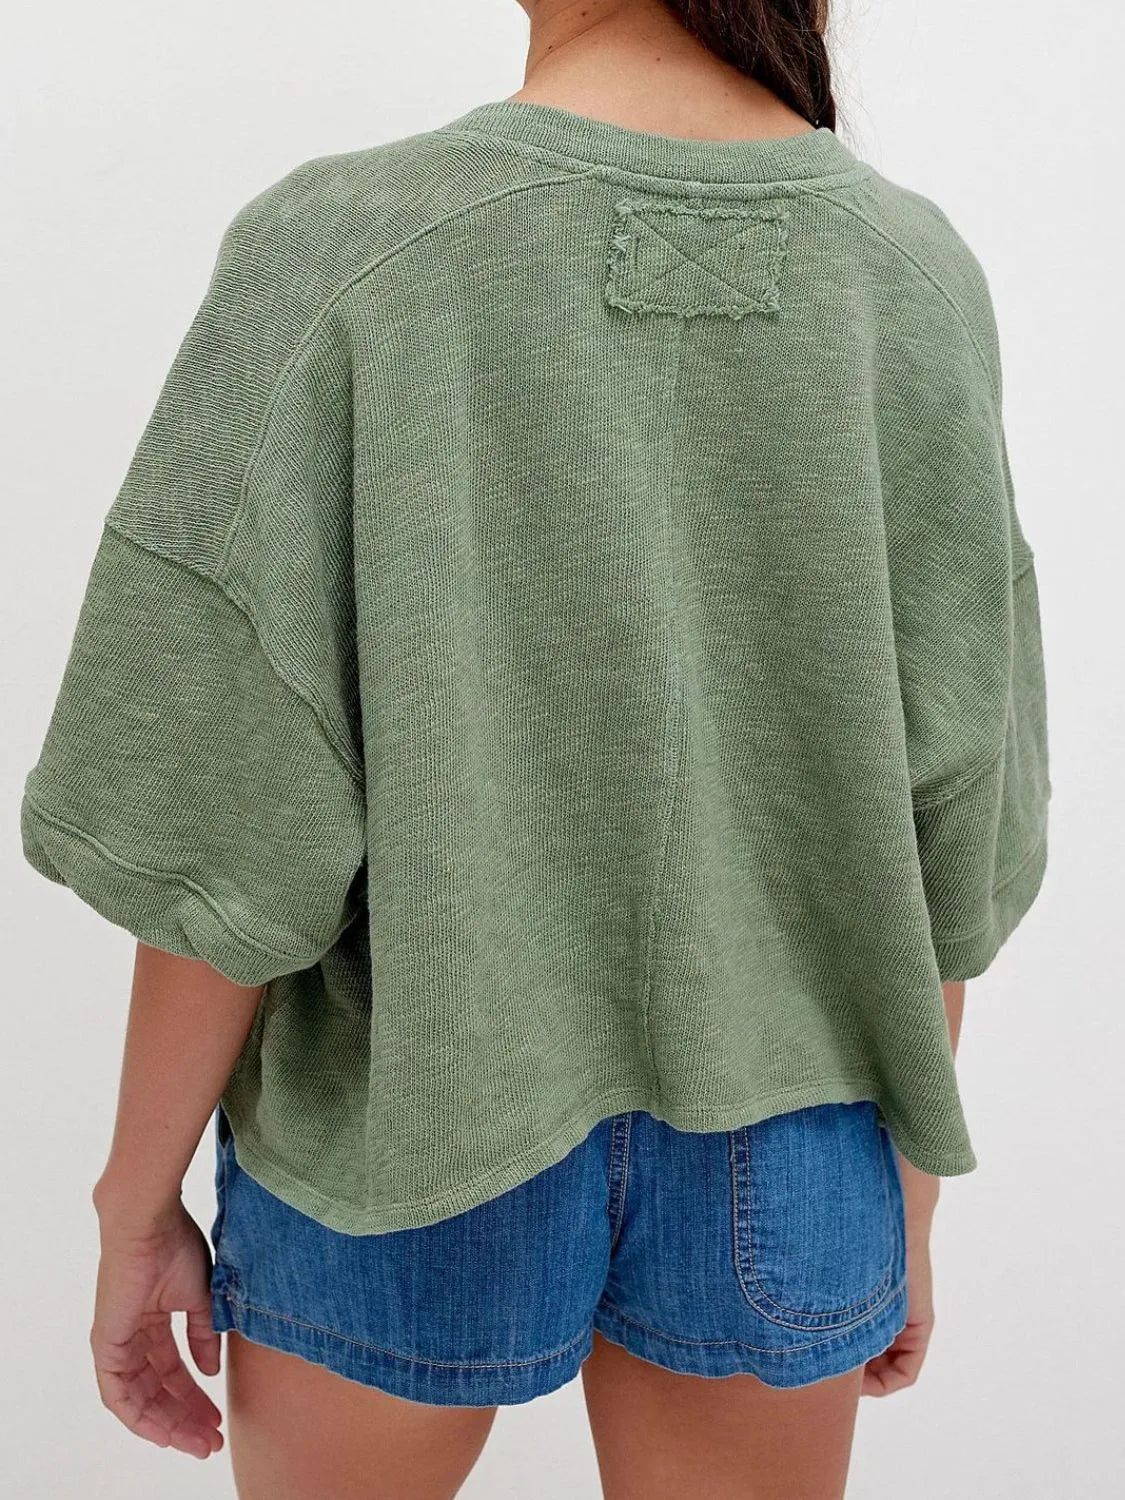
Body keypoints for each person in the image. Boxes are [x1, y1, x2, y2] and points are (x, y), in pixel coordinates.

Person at [20, 1, 1050, 1496]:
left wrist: (134, 1198)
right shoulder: (911, 271)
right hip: (797, 1139)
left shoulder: (344, 243)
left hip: (412, 1109)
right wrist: (906, 1199)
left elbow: (222, 806)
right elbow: (957, 803)